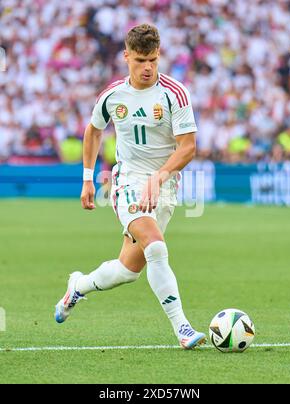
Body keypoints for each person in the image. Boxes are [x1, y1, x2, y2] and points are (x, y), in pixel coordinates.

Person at [54, 24, 206, 349]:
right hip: (126, 182)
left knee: (128, 270)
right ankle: (183, 328)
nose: (147, 67)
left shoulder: (174, 93)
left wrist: (159, 177)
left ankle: (78, 285)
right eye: (139, 60)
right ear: (126, 57)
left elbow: (188, 147)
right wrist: (87, 178)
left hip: (163, 185)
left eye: (152, 59)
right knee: (155, 246)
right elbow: (94, 131)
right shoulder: (112, 95)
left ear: (159, 55)